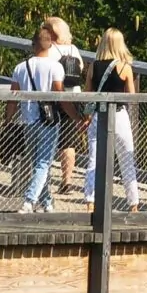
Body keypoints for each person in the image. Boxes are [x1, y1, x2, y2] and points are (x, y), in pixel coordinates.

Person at [8, 25, 65, 212]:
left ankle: (47, 202)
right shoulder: (56, 67)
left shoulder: (20, 67)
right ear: (50, 45)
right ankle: (29, 200)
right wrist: (76, 117)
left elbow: (13, 98)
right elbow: (60, 94)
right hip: (48, 122)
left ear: (33, 45)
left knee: (38, 164)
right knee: (43, 163)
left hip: (27, 121)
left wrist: (7, 121)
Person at [84, 29, 141, 210]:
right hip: (118, 114)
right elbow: (131, 97)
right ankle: (133, 203)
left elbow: (88, 94)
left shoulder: (93, 66)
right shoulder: (125, 68)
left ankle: (90, 200)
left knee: (94, 158)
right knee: (126, 158)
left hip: (99, 115)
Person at [44, 16, 89, 194]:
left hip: (55, 97)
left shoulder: (50, 50)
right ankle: (67, 180)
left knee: (47, 137)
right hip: (74, 96)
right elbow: (82, 68)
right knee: (68, 141)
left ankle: (44, 179)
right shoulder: (74, 49)